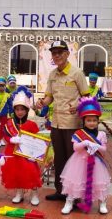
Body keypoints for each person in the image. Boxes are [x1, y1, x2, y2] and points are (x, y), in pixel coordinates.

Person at [35, 40, 90, 201]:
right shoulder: (52, 74)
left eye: (60, 52)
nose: (57, 55)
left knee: (73, 158)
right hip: (56, 123)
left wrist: (79, 106)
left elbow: (87, 97)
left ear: (67, 54)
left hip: (73, 123)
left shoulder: (76, 73)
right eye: (54, 53)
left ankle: (75, 193)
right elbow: (49, 97)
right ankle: (60, 190)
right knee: (59, 158)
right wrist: (41, 103)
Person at [59, 98, 110, 215]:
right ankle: (69, 202)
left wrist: (96, 146)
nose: (91, 123)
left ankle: (102, 203)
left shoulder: (101, 134)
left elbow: (104, 150)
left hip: (96, 162)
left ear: (98, 121)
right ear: (84, 121)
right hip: (79, 161)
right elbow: (75, 148)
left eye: (94, 120)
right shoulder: (79, 133)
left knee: (98, 182)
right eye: (88, 120)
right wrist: (84, 143)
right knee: (76, 181)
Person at [1, 87, 42, 205]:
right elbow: (5, 136)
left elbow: (37, 140)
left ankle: (34, 194)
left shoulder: (32, 124)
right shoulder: (9, 123)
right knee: (16, 173)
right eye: (17, 109)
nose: (19, 112)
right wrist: (11, 139)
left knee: (31, 173)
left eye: (22, 109)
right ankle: (19, 193)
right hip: (13, 153)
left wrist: (34, 154)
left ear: (27, 110)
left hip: (28, 155)